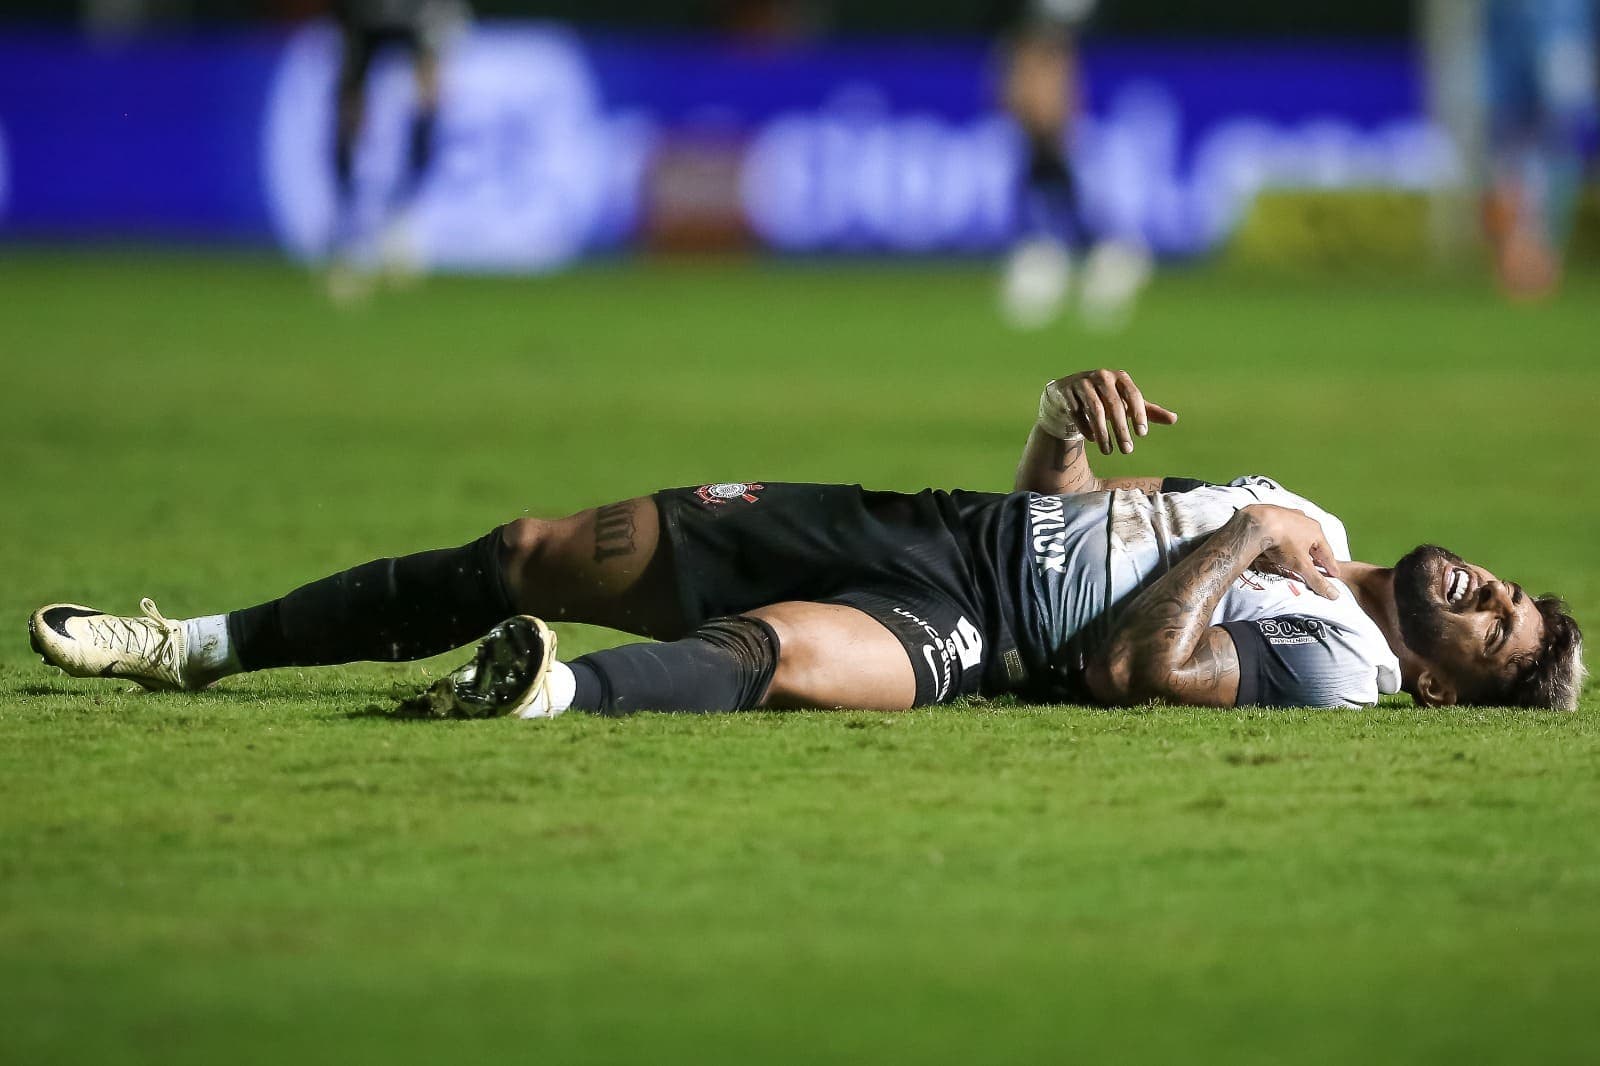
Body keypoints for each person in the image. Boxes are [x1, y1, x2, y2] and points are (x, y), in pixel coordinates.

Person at [29, 369, 1584, 716]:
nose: (1486, 594)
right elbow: (1060, 523)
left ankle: (542, 698)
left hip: (982, 637)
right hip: (933, 524)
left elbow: (1127, 661)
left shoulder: (1337, 667)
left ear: (1449, 686)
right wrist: (1059, 423)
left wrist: (1240, 534)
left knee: (775, 659)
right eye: (1511, 590)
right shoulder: (1320, 516)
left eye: (1498, 629)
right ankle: (192, 645)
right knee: (538, 540)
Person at [995, 0, 1151, 329]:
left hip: (1050, 132)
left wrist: (1049, 119)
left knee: (1051, 187)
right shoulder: (1032, 42)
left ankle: (1105, 254)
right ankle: (1098, 253)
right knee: (1047, 187)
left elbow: (1051, 88)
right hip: (1045, 133)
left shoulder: (1046, 44)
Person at [325, 0, 465, 302]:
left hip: (416, 15)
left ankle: (403, 218)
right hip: (366, 16)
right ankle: (350, 225)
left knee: (429, 97)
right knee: (350, 109)